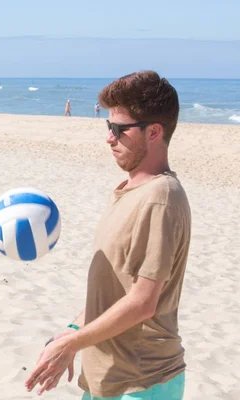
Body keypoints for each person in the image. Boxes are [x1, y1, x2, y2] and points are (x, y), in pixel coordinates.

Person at [24, 70, 190, 400]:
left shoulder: (162, 197)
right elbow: (116, 291)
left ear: (154, 132)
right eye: (108, 127)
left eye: (118, 129)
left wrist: (72, 344)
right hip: (107, 380)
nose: (109, 138)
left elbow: (143, 302)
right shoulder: (127, 190)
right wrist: (72, 332)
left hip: (143, 382)